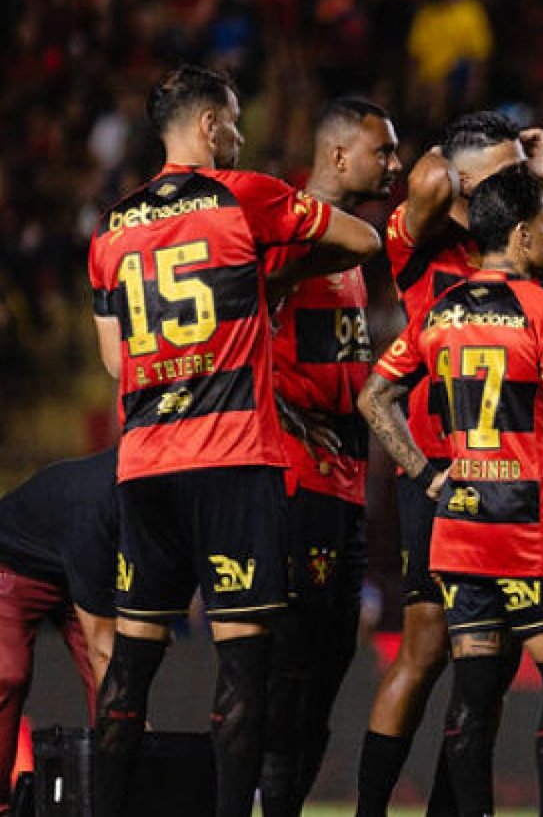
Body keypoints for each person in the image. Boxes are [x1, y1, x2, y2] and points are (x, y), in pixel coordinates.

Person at [86, 64, 380, 817]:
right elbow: (363, 238)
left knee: (129, 671)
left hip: (145, 464)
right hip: (230, 459)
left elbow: (116, 362)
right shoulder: (241, 194)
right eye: (236, 122)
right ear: (210, 124)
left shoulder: (110, 227)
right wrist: (269, 284)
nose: (241, 137)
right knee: (244, 672)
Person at [357, 110, 543, 817]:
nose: (517, 181)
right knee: (427, 652)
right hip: (438, 465)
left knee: (483, 673)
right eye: (504, 171)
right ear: (463, 177)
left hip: (497, 473)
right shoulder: (420, 237)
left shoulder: (529, 238)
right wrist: (469, 161)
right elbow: (429, 179)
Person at [258, 97, 402, 817]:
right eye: (384, 151)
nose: (394, 165)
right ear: (340, 155)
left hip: (342, 480)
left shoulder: (346, 247)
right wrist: (278, 410)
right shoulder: (289, 228)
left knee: (330, 667)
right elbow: (243, 323)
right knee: (289, 669)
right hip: (297, 481)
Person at [0, 448, 119, 817]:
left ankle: (115, 801)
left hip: (70, 565)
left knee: (112, 680)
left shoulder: (153, 489)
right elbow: (103, 649)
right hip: (7, 558)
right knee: (7, 674)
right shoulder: (97, 502)